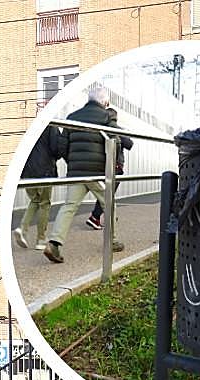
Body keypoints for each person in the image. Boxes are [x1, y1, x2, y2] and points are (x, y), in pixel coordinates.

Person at [43, 85, 134, 264]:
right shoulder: (106, 116)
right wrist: (112, 161)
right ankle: (112, 241)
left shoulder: (72, 117)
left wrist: (73, 163)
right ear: (105, 102)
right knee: (109, 205)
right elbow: (121, 140)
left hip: (76, 172)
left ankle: (54, 243)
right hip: (97, 173)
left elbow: (62, 147)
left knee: (69, 206)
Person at [13, 121, 67, 251]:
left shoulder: (26, 123)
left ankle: (22, 228)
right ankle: (41, 239)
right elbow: (56, 149)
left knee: (35, 200)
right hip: (44, 170)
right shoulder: (50, 125)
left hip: (27, 171)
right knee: (44, 203)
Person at [86, 111, 127, 230]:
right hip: (115, 166)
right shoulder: (114, 128)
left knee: (104, 192)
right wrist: (120, 132)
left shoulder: (99, 128)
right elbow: (129, 143)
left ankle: (97, 217)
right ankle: (98, 217)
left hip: (104, 165)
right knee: (107, 193)